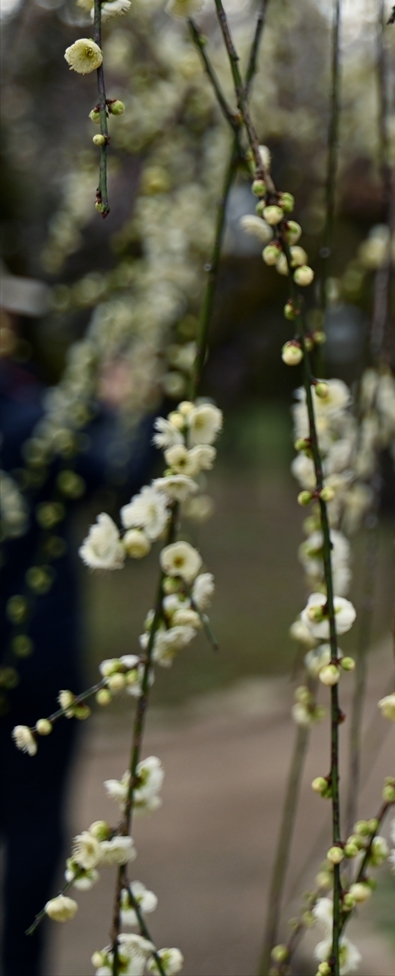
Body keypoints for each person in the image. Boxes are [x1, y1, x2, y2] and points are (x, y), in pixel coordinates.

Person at [0, 264, 138, 976]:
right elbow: (124, 474)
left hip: (37, 655)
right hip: (35, 655)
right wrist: (117, 408)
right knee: (31, 826)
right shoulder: (35, 419)